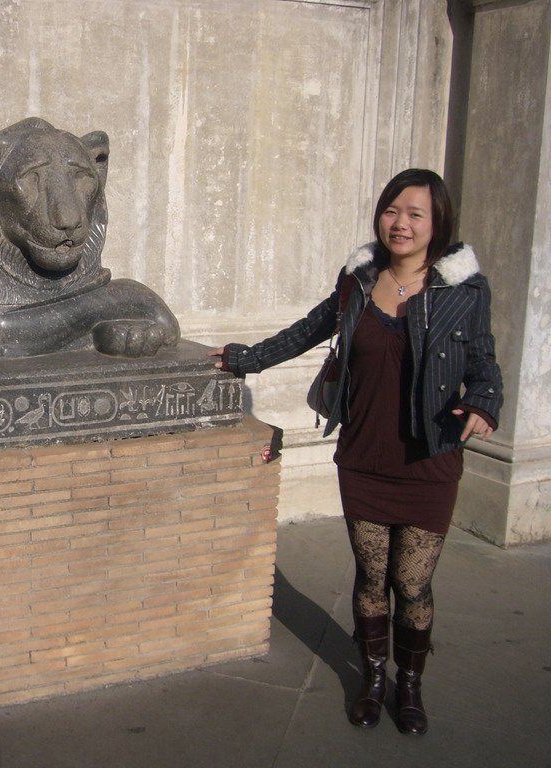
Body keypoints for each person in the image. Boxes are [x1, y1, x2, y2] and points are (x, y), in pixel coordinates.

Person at [208, 168, 502, 735]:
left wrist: (485, 403)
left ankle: (409, 686)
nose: (402, 223)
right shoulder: (360, 280)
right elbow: (311, 328)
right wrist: (248, 357)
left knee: (411, 583)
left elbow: (484, 363)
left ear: (437, 222)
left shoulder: (463, 290)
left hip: (430, 457)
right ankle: (371, 679)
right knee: (371, 578)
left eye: (416, 214)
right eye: (393, 210)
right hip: (364, 454)